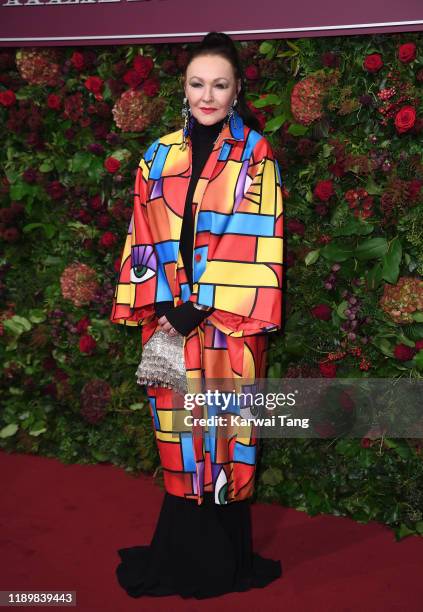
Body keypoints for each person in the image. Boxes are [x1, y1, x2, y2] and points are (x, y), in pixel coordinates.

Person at [110, 31, 284, 599]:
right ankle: (180, 558)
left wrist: (196, 307)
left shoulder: (256, 155)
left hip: (229, 324)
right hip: (169, 321)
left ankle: (227, 563)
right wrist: (163, 306)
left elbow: (255, 242)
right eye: (197, 83)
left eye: (220, 84)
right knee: (180, 439)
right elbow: (144, 231)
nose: (207, 95)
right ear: (183, 89)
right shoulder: (159, 155)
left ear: (237, 92)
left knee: (229, 439)